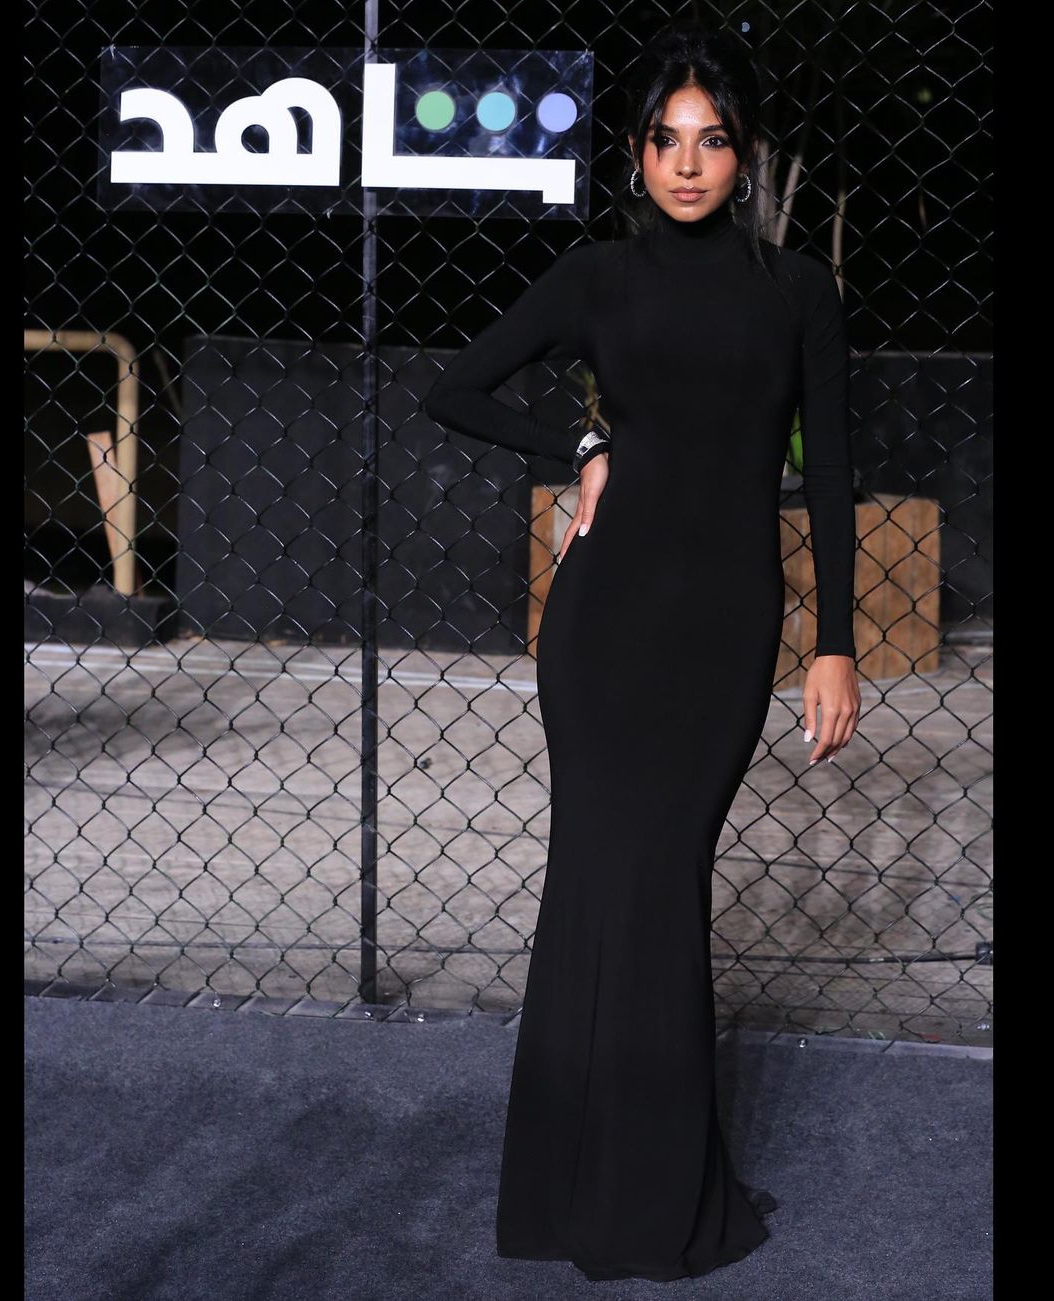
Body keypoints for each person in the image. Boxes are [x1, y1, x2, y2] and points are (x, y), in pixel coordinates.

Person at [423, 19, 862, 1285]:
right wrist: (580, 449)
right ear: (634, 152)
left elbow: (834, 475)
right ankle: (570, 1195)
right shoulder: (596, 277)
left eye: (712, 140)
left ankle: (641, 1194)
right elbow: (453, 388)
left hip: (725, 628)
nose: (687, 163)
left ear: (745, 153)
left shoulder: (797, 291)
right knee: (592, 885)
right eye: (667, 140)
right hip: (603, 626)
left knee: (659, 885)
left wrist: (835, 644)